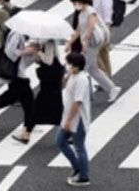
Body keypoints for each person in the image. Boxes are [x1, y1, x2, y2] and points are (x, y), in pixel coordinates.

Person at [0, 31, 40, 143]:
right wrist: (25, 51)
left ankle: (28, 128)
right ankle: (28, 129)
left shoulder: (20, 35)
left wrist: (30, 50)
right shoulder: (17, 35)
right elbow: (10, 52)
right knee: (27, 101)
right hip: (17, 74)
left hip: (18, 73)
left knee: (15, 98)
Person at [65, 0, 120, 103]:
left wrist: (84, 44)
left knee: (82, 69)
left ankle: (84, 95)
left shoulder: (90, 11)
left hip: (91, 44)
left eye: (75, 3)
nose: (75, 5)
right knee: (94, 70)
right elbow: (79, 30)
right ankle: (112, 88)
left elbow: (90, 28)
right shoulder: (82, 13)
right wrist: (70, 42)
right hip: (88, 44)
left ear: (81, 1)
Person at [56, 51, 91, 187]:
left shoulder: (82, 80)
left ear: (76, 66)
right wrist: (67, 76)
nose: (68, 66)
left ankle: (84, 176)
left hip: (78, 119)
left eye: (70, 64)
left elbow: (78, 102)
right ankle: (78, 167)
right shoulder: (74, 75)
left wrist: (69, 121)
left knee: (79, 147)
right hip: (68, 116)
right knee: (60, 142)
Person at [89, 0, 116, 77]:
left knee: (94, 55)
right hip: (97, 29)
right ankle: (108, 76)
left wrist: (107, 35)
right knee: (104, 55)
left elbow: (107, 17)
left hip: (102, 31)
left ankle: (105, 79)